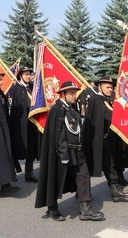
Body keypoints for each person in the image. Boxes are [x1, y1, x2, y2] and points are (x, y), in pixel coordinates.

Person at [35, 81, 104, 222]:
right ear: (63, 94)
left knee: (83, 177)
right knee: (55, 179)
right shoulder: (57, 109)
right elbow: (58, 134)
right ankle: (52, 208)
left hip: (77, 151)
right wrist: (63, 154)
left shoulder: (72, 109)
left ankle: (85, 210)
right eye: (71, 93)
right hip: (63, 152)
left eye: (75, 92)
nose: (74, 95)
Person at [83, 76, 128, 202]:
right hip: (94, 140)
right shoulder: (96, 99)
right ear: (100, 87)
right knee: (88, 166)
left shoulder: (106, 100)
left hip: (105, 139)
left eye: (112, 87)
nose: (110, 89)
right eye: (107, 87)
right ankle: (82, 193)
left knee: (109, 165)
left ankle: (115, 191)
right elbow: (105, 116)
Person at [10, 67, 39, 183]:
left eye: (29, 74)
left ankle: (29, 173)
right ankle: (12, 172)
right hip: (20, 124)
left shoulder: (31, 87)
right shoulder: (17, 88)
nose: (28, 76)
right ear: (20, 76)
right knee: (17, 147)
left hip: (31, 123)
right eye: (26, 74)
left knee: (31, 147)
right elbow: (16, 108)